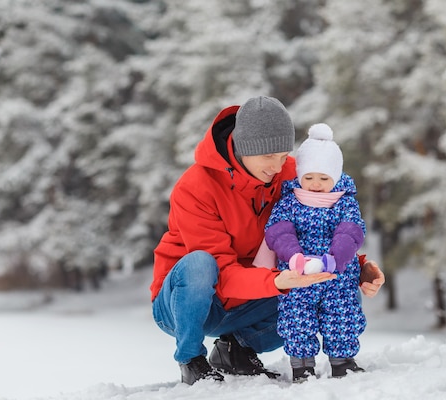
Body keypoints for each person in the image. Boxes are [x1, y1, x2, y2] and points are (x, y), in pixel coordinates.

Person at [151, 96, 385, 385]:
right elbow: (220, 273)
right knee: (200, 265)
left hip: (251, 297)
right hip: (188, 303)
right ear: (243, 148)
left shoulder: (292, 174)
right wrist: (275, 282)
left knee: (313, 291)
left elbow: (319, 230)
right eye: (267, 157)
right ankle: (191, 359)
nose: (277, 166)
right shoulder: (196, 188)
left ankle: (235, 349)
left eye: (282, 154)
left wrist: (355, 267)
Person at [265, 123, 383, 382]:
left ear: (336, 177)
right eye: (308, 177)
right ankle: (302, 366)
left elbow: (350, 233)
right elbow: (279, 232)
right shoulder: (289, 202)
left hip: (336, 277)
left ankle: (342, 362)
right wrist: (293, 255)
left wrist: (335, 259)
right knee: (296, 320)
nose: (315, 184)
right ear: (299, 176)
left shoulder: (345, 203)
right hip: (299, 276)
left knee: (342, 317)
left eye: (323, 178)